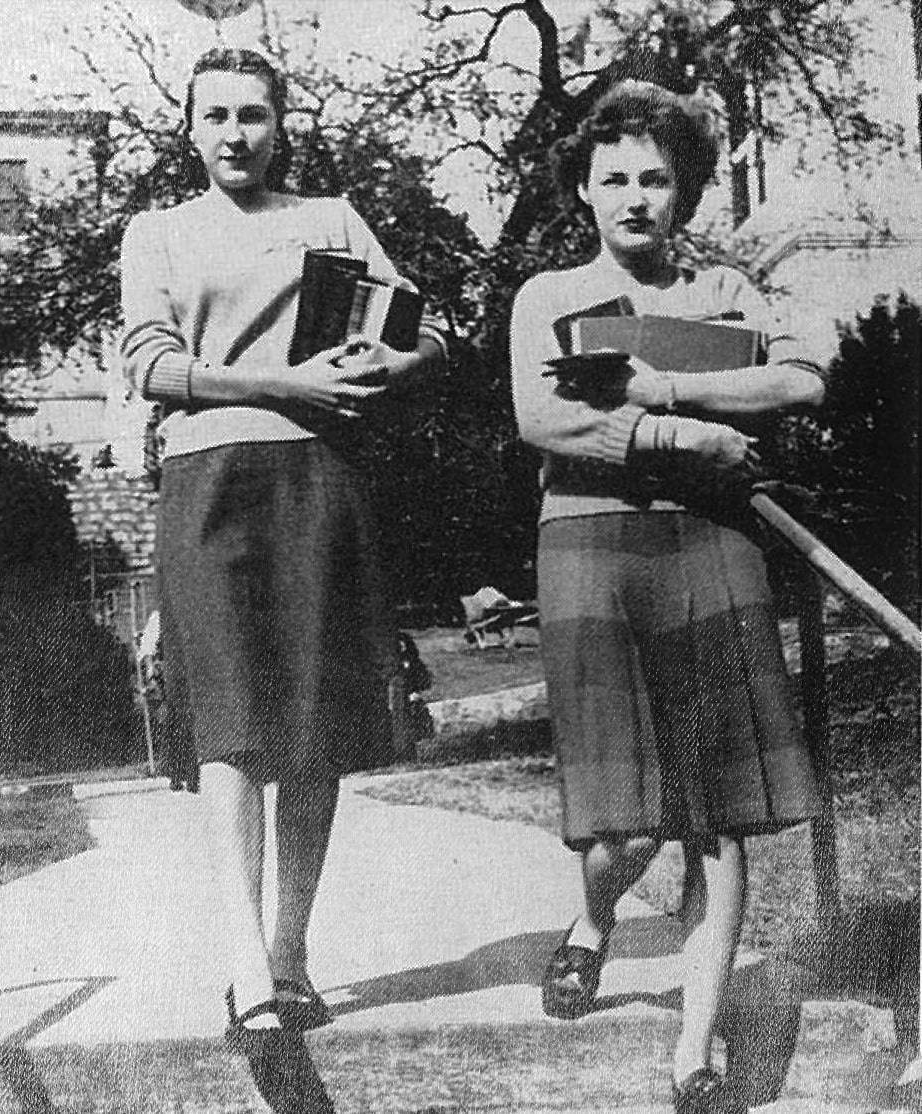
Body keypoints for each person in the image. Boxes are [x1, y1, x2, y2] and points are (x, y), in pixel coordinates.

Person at [510, 80, 825, 1114]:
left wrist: (662, 388)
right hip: (589, 546)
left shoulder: (725, 292)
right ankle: (595, 919)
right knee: (622, 826)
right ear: (584, 193)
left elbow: (799, 381)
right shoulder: (549, 297)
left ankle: (695, 1053)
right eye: (614, 179)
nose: (636, 197)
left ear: (684, 188)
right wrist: (687, 436)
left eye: (656, 177)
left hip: (711, 545)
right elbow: (546, 422)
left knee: (717, 814)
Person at [120, 47, 445, 1041]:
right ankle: (243, 962)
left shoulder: (332, 220)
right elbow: (154, 364)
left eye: (252, 115)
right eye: (214, 116)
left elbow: (432, 337)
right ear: (188, 127)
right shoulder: (160, 233)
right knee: (230, 728)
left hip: (321, 483)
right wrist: (279, 385)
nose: (234, 135)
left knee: (314, 726)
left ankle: (292, 954)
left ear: (280, 123)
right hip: (211, 488)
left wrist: (382, 364)